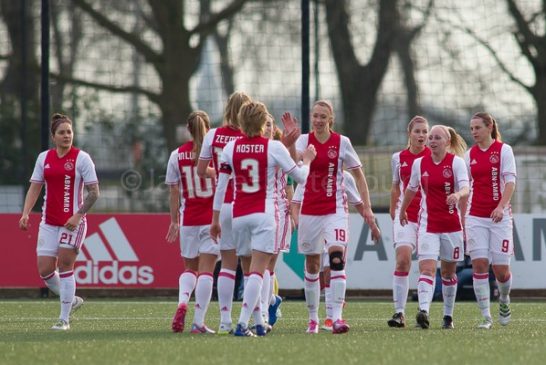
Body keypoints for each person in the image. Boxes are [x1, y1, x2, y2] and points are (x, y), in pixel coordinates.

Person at [210, 101, 316, 337]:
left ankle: (259, 322)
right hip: (264, 215)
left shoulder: (230, 148)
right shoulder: (273, 148)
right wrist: (307, 160)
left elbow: (220, 186)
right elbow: (300, 177)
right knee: (259, 272)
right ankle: (241, 323)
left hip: (238, 215)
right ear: (261, 122)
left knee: (248, 272)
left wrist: (215, 219)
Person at [293, 100, 379, 334]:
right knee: (312, 266)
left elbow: (359, 176)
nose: (319, 120)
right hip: (310, 210)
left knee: (336, 259)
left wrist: (368, 208)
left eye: (323, 117)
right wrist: (289, 142)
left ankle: (337, 318)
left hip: (335, 211)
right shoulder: (304, 140)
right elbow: (294, 160)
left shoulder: (342, 143)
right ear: (311, 118)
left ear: (330, 119)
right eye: (315, 116)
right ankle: (313, 319)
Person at [19, 113, 99, 331]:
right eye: (62, 133)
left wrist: (78, 215)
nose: (66, 136)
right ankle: (71, 299)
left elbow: (94, 192)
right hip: (49, 222)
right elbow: (35, 187)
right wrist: (26, 213)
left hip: (73, 223)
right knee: (44, 270)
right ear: (53, 137)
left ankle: (64, 320)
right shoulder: (43, 158)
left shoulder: (82, 158)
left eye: (69, 132)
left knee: (65, 264)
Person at [399, 125, 468, 329]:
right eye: (431, 137)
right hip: (428, 225)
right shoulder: (420, 164)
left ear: (447, 142)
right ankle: (424, 311)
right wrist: (403, 210)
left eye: (437, 137)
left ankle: (448, 316)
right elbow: (411, 189)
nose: (432, 140)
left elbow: (466, 186)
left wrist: (457, 194)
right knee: (427, 269)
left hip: (451, 226)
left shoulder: (456, 163)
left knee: (448, 273)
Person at [291, 170, 379, 331]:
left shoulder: (346, 177)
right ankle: (314, 318)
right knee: (315, 271)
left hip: (335, 226)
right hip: (313, 226)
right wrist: (298, 223)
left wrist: (372, 225)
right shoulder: (307, 174)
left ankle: (333, 318)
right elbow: (295, 203)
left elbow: (359, 204)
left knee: (333, 266)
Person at [197, 91, 251, 334]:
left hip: (222, 206)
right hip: (246, 204)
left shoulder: (212, 135)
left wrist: (219, 174)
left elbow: (201, 170)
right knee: (251, 266)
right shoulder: (249, 137)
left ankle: (224, 320)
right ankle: (252, 318)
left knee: (228, 265)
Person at [166, 111, 219, 334]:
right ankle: (198, 322)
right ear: (209, 128)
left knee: (190, 268)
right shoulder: (217, 154)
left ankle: (182, 303)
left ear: (188, 130)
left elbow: (174, 191)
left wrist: (174, 221)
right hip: (212, 219)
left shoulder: (176, 155)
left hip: (188, 220)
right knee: (207, 271)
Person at [464, 112, 516, 329]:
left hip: (499, 218)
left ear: (489, 127)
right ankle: (486, 317)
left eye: (477, 127)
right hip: (475, 216)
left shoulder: (504, 150)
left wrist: (500, 207)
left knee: (501, 272)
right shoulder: (469, 155)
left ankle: (504, 299)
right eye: (472, 128)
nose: (474, 132)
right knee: (479, 265)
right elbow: (466, 187)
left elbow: (510, 182)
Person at [387, 116, 430, 328]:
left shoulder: (434, 156)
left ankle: (424, 311)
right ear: (409, 133)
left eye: (425, 132)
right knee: (403, 260)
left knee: (426, 266)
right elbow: (396, 186)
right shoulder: (398, 158)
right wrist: (393, 208)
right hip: (406, 216)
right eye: (418, 131)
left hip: (429, 219)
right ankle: (399, 313)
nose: (422, 135)